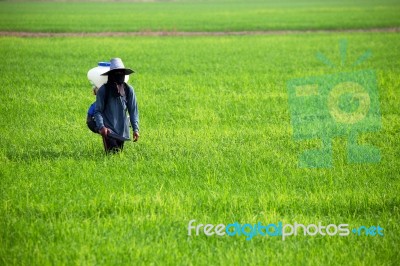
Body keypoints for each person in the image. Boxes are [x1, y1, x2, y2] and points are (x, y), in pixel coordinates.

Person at [94, 58, 139, 153]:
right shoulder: (103, 90)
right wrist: (102, 127)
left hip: (122, 131)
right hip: (108, 130)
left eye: (121, 73)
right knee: (113, 154)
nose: (119, 75)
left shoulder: (128, 90)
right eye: (116, 73)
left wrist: (136, 129)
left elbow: (133, 110)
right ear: (111, 75)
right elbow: (98, 111)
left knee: (117, 156)